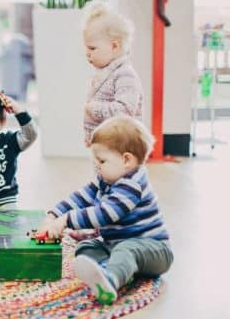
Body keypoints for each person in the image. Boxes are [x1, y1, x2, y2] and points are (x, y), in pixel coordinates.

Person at [39, 116, 173, 305]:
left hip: (154, 250)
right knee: (87, 246)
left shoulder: (132, 185)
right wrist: (54, 214)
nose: (97, 166)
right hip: (116, 244)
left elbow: (104, 213)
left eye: (101, 161)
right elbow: (81, 197)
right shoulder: (106, 179)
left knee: (127, 249)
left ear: (126, 160)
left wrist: (66, 220)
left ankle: (110, 279)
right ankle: (105, 269)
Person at [83, 1, 143, 146]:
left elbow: (125, 110)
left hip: (121, 146)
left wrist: (93, 108)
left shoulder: (124, 75)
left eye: (92, 48)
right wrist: (92, 137)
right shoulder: (106, 73)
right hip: (107, 146)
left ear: (114, 46)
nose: (87, 54)